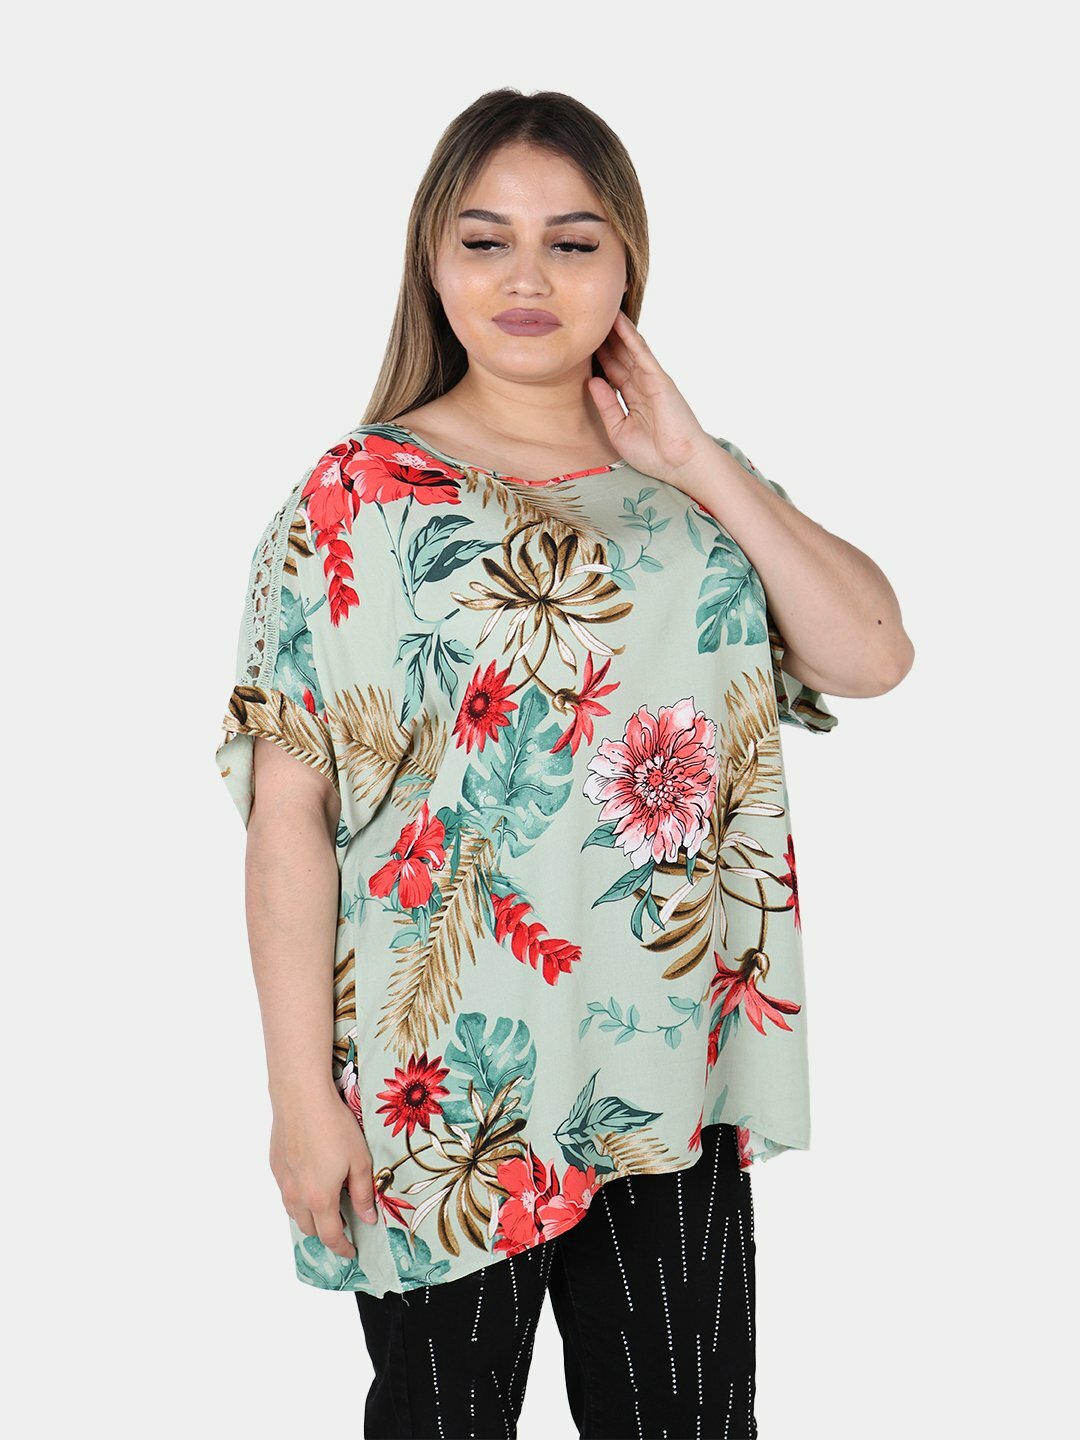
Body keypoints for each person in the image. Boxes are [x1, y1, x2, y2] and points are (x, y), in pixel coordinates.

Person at [215, 88, 913, 1440]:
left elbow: (873, 653)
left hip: (671, 1072)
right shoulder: (358, 498)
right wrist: (301, 1099)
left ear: (628, 263)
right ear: (432, 265)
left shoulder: (696, 492)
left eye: (572, 243)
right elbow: (289, 813)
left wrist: (693, 454)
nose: (527, 278)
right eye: (486, 242)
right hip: (445, 1092)